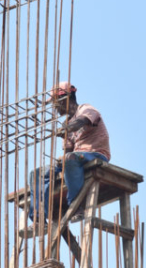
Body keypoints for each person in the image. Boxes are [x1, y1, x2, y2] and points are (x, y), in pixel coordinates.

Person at [28, 82, 111, 224]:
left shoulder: (86, 109)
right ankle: (38, 217)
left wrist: (67, 128)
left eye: (55, 103)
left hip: (96, 154)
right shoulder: (66, 122)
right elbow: (68, 152)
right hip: (76, 158)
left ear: (65, 99)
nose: (54, 107)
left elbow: (81, 121)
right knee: (36, 173)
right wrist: (60, 160)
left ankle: (77, 205)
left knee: (69, 158)